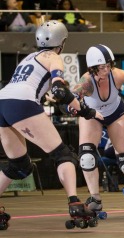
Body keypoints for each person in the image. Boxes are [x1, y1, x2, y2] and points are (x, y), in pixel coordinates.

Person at [0, 20, 102, 229]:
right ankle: (74, 203)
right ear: (62, 41)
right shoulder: (54, 57)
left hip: (3, 102)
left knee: (19, 165)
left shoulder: (29, 57)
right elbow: (59, 91)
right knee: (64, 154)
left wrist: (70, 103)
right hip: (21, 104)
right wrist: (86, 111)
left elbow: (44, 89)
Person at [72, 44, 124, 216]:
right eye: (102, 67)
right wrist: (72, 107)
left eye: (109, 65)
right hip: (92, 115)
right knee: (87, 158)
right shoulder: (86, 81)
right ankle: (95, 199)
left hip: (116, 114)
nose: (107, 69)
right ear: (92, 67)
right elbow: (70, 99)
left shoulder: (116, 75)